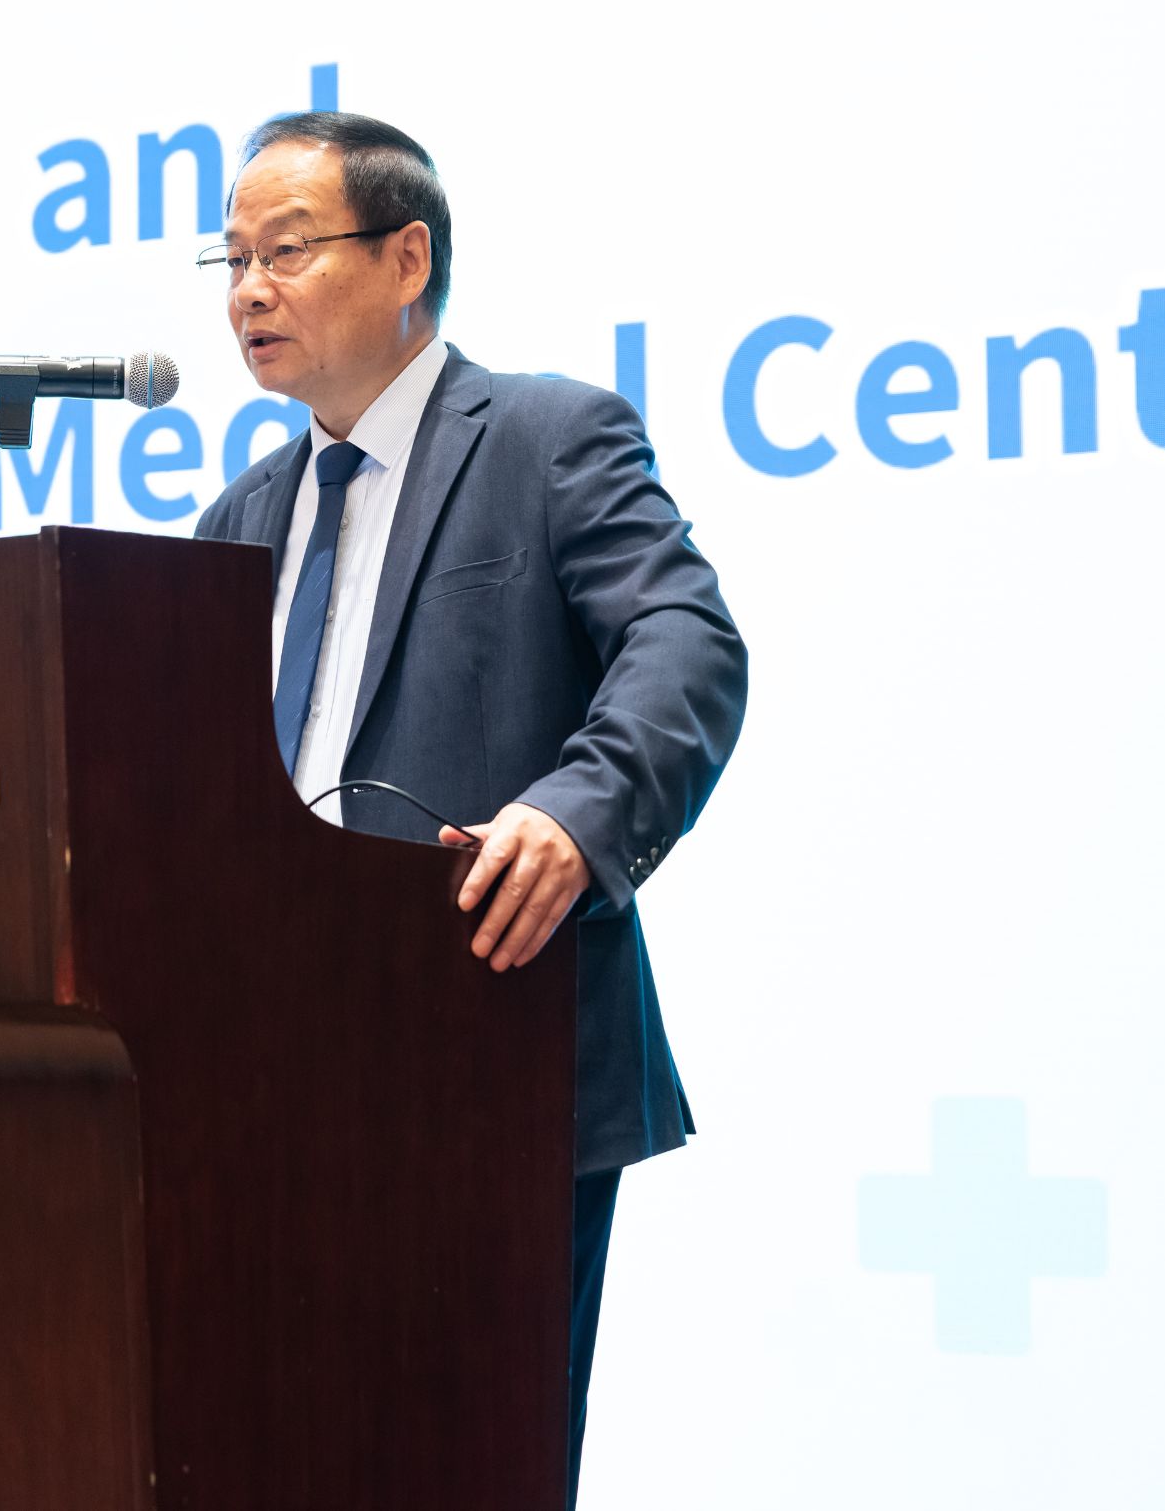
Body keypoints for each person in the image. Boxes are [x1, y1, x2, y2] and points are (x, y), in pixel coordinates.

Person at [191, 112, 748, 1505]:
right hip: (269, 1079)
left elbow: (685, 641)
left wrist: (576, 813)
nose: (249, 289)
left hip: (487, 1046)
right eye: (233, 259)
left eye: (287, 250)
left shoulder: (546, 437)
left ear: (407, 258)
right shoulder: (238, 520)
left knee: (470, 1468)